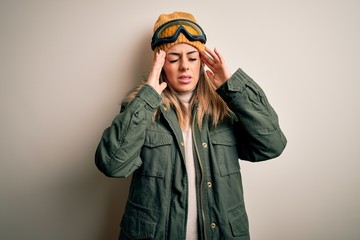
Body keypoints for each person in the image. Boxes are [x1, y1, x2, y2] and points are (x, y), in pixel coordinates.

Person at [95, 11, 287, 240]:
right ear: (160, 63)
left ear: (202, 61)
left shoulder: (224, 109)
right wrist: (147, 98)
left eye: (193, 57)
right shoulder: (142, 109)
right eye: (174, 58)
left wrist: (232, 88)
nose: (184, 66)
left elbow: (272, 145)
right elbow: (112, 165)